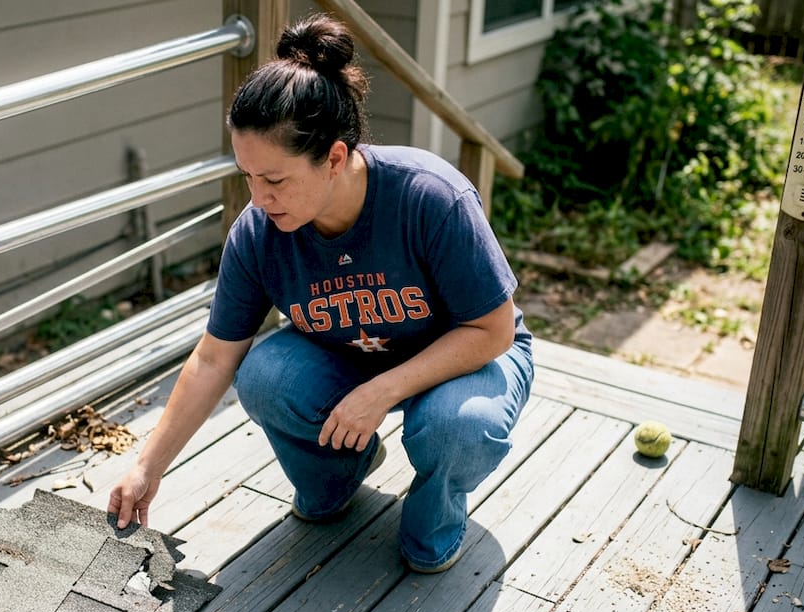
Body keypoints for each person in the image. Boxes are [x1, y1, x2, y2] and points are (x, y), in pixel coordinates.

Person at [108, 13, 533, 574]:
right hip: (348, 359)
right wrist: (147, 465)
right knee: (263, 375)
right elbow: (215, 358)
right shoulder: (258, 233)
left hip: (462, 360)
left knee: (458, 427)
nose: (257, 198)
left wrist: (382, 391)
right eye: (247, 177)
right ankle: (339, 474)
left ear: (334, 157)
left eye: (275, 180)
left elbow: (493, 330)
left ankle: (437, 519)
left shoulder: (431, 196)